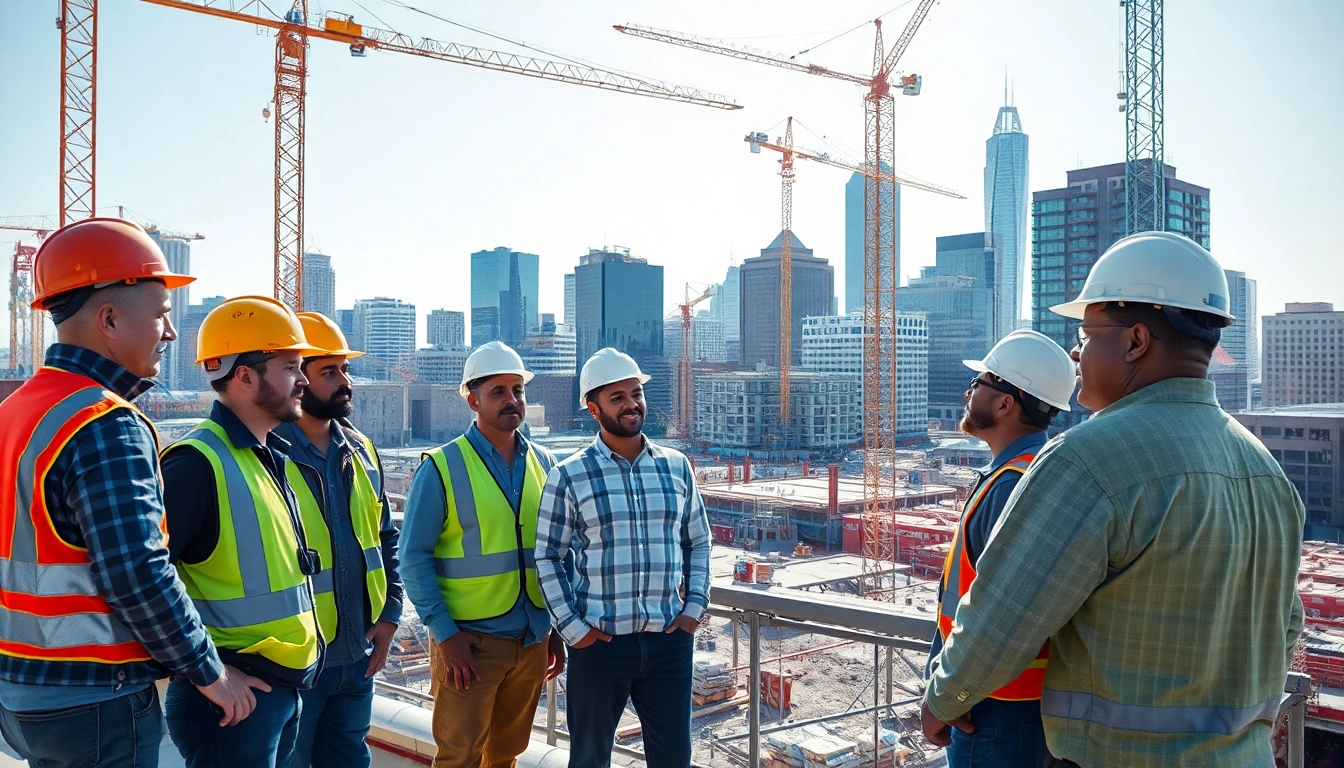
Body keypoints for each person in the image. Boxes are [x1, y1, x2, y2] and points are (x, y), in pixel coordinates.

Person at [921, 232, 1305, 767]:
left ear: (1135, 341)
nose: (1076, 352)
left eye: (1086, 332)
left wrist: (943, 700)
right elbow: (1285, 626)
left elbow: (1005, 617)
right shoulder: (1265, 471)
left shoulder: (1088, 461)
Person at [0, 219, 265, 768]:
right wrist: (212, 675)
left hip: (18, 692)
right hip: (94, 699)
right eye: (163, 315)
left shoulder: (17, 410)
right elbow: (138, 572)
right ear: (110, 318)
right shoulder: (102, 421)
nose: (170, 334)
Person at [160, 295, 327, 768]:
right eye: (291, 367)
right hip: (232, 698)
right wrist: (208, 674)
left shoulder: (266, 455)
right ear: (244, 376)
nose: (302, 380)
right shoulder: (195, 464)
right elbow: (147, 586)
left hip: (276, 688)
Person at [535, 347, 711, 768]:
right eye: (617, 397)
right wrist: (575, 630)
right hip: (599, 645)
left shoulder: (676, 466)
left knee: (673, 760)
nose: (631, 403)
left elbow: (698, 541)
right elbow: (547, 557)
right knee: (590, 760)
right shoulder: (569, 475)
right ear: (593, 409)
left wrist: (694, 608)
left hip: (669, 640)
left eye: (636, 393)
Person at [399, 341, 565, 768]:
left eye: (518, 390)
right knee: (460, 758)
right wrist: (445, 634)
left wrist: (555, 630)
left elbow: (555, 553)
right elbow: (412, 557)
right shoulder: (441, 467)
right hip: (469, 645)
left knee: (507, 754)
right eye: (498, 392)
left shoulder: (545, 464)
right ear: (473, 400)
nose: (512, 400)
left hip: (531, 641)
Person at [925, 330, 1076, 768]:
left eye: (981, 383)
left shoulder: (1012, 483)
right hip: (1017, 701)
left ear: (1005, 403)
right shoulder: (1032, 471)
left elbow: (999, 612)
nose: (969, 393)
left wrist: (948, 694)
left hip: (990, 708)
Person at [276, 312, 404, 768]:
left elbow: (386, 540)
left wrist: (390, 615)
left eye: (344, 370)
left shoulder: (362, 451)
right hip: (298, 664)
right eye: (329, 372)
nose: (344, 381)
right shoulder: (268, 456)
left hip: (357, 657)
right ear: (298, 378)